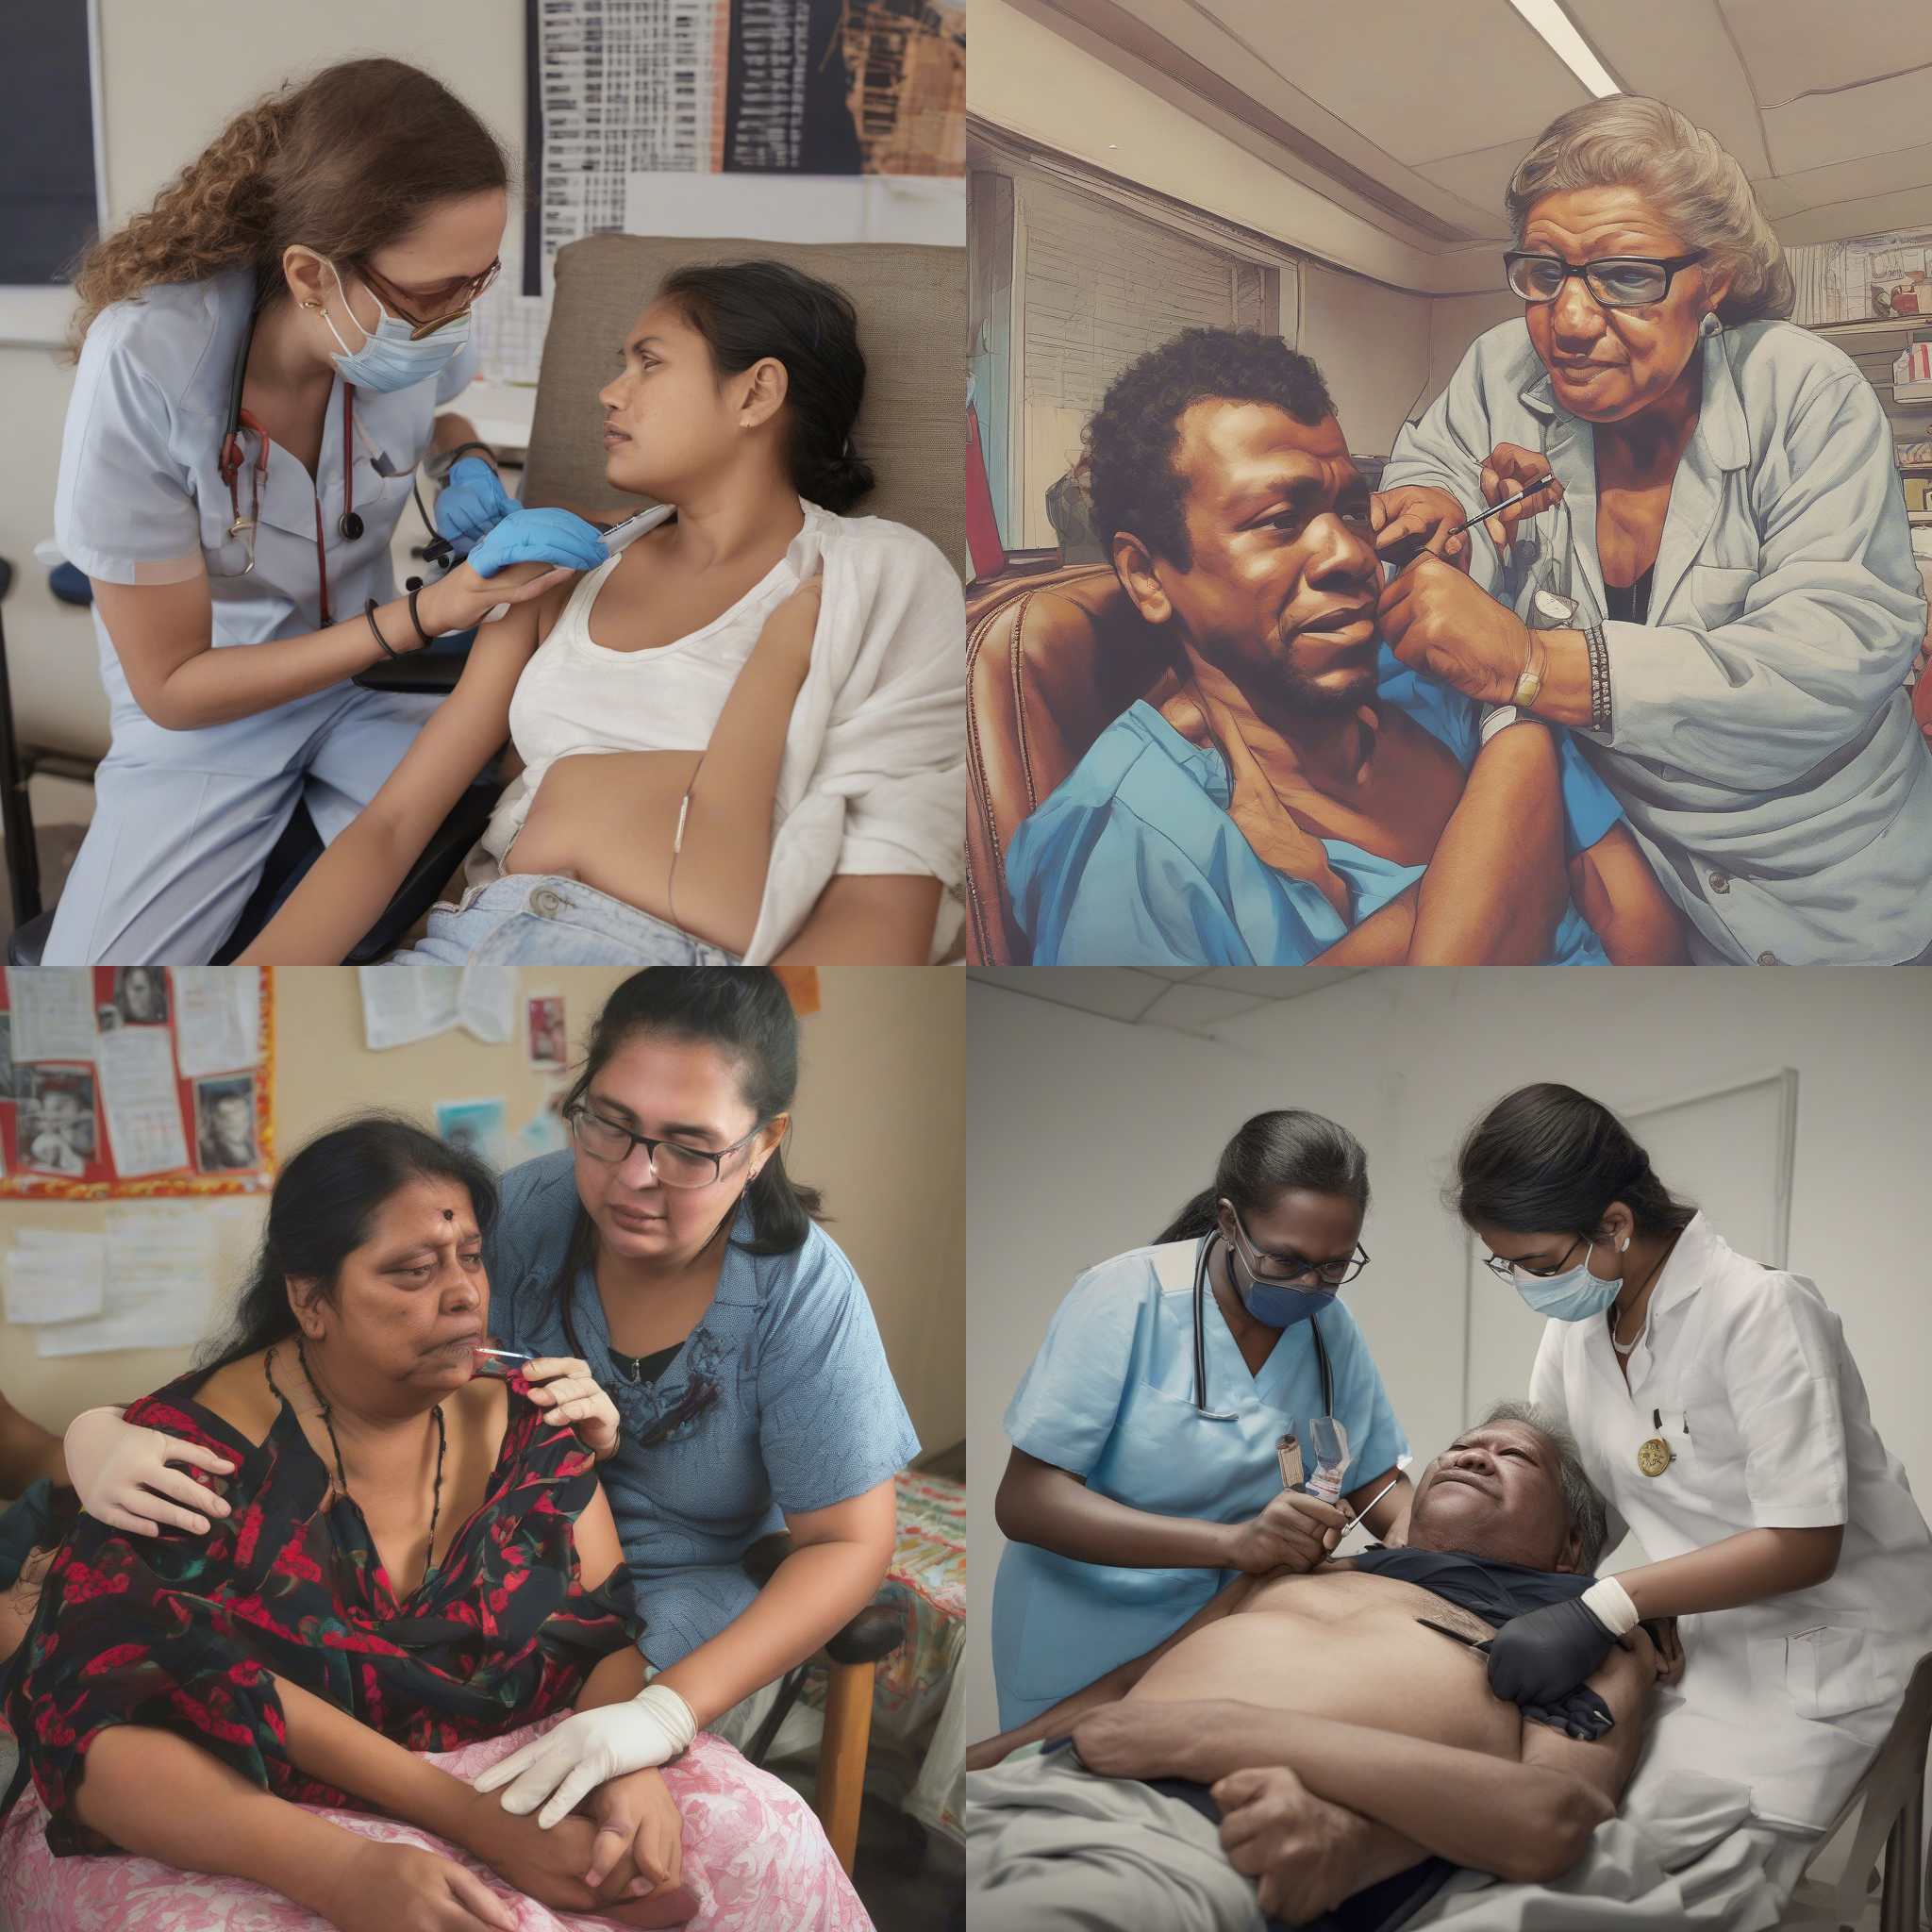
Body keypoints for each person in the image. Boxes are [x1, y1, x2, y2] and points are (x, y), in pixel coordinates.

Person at [0, 1117, 871, 1932]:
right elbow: (95, 1740)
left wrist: (627, 1765)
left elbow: (602, 1629)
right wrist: (346, 1869)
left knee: (774, 1837)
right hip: (280, 1808)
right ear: (311, 1303)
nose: (462, 1297)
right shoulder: (187, 1465)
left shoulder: (533, 1420)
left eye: (471, 1258)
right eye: (413, 1272)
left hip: (527, 1757)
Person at [64, 966, 917, 1798]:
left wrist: (661, 1712)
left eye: (690, 1150)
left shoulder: (798, 1291)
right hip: (504, 1577)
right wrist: (102, 1429)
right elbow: (325, 1353)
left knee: (660, 1824)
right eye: (609, 1125)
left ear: (764, 1142)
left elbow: (848, 1542)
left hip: (668, 1597)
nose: (632, 1177)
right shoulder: (522, 1212)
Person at [238, 260, 965, 967]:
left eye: (649, 363)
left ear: (756, 394)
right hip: (474, 940)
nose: (610, 393)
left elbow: (886, 908)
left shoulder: (871, 577)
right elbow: (392, 828)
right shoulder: (553, 569)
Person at [46, 58, 606, 965]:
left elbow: (442, 412)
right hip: (211, 716)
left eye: (481, 277)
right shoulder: (147, 363)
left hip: (370, 693)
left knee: (506, 872)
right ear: (311, 273)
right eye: (435, 292)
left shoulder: (409, 323)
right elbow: (172, 688)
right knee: (100, 988)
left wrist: (462, 463)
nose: (460, 314)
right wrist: (427, 614)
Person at [1374, 95, 1932, 966]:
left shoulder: (1800, 388)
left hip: (1833, 877)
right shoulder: (1501, 366)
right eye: (1544, 273)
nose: (1569, 320)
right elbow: (1434, 471)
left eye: (1626, 276)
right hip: (1638, 871)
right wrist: (1434, 513)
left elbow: (1833, 655)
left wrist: (1534, 663)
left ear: (1712, 281)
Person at [1004, 328, 1684, 966]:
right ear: (1148, 577)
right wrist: (1501, 863)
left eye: (1352, 510)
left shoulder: (1438, 684)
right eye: (1279, 520)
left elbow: (1640, 925)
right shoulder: (1135, 844)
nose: (1347, 553)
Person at [968, 1406, 1677, 1932]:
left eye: (1515, 1457)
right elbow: (1125, 1689)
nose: (1472, 1456)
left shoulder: (1575, 1628)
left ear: (1571, 1544)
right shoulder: (1300, 1572)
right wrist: (982, 1766)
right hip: (1048, 1781)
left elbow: (1552, 1815)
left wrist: (1213, 1735)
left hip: (1211, 1834)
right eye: (1462, 1445)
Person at [1454, 1083, 1932, 1830]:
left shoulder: (1759, 1311)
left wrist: (1617, 1601)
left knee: (1667, 1848)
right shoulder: (1574, 1334)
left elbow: (1805, 1543)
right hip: (1700, 1636)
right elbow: (1570, 1506)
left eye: (1540, 1263)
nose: (1526, 1285)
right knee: (1581, 1818)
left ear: (1614, 1224)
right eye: (1505, 1265)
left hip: (1828, 1644)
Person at [990, 1109, 1411, 1732]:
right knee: (1049, 1783)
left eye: (1335, 1266)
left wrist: (1418, 1538)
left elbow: (1374, 1481)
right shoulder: (1126, 1299)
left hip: (1217, 1636)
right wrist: (1234, 1545)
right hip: (1077, 1625)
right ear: (1229, 1222)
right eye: (1286, 1260)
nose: (1310, 1285)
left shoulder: (1329, 1331)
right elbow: (1025, 1502)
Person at [197, 1086, 258, 1171]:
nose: (240, 1127)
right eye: (228, 1121)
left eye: (244, 1120)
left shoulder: (254, 1142)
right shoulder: (210, 1156)